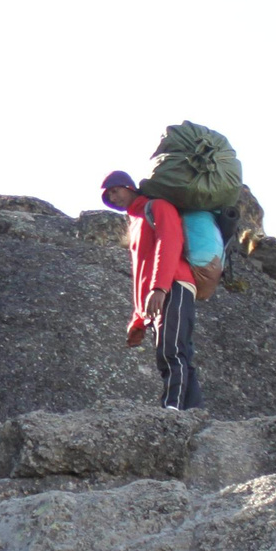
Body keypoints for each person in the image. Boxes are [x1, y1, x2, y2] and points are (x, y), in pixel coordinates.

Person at [101, 171, 202, 412]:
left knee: (171, 350)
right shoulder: (135, 221)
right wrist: (138, 319)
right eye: (109, 195)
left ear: (130, 187)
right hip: (160, 290)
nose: (113, 197)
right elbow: (141, 272)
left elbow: (169, 243)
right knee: (177, 352)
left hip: (175, 284)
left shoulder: (157, 206)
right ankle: (192, 411)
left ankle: (172, 408)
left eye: (115, 190)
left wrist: (160, 287)